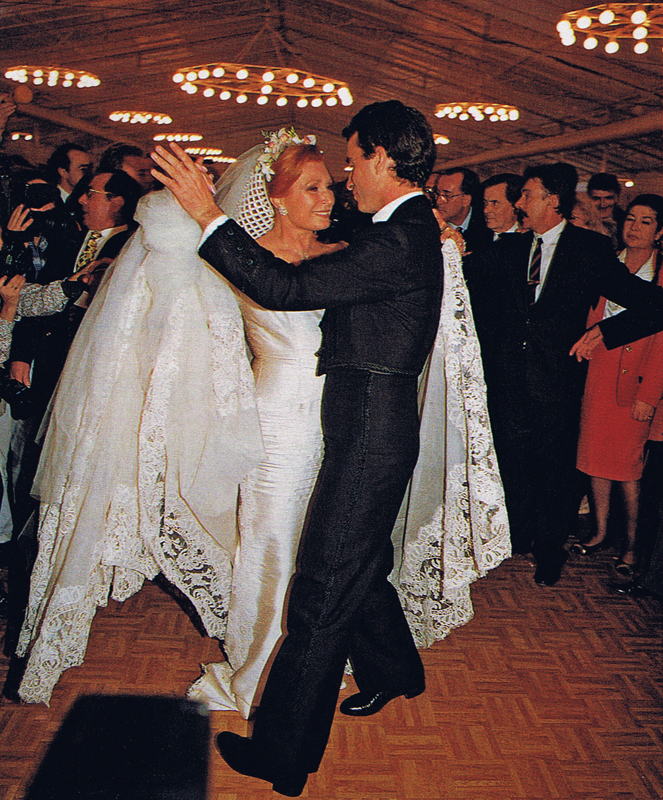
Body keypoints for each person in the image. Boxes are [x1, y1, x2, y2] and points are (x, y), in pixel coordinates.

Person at [153, 100, 444, 796]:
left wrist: (204, 212)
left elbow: (283, 286)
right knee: (359, 564)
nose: (345, 177)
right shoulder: (397, 230)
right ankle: (397, 672)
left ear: (378, 156)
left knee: (317, 592)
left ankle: (283, 756)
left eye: (350, 161)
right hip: (365, 426)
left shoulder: (399, 238)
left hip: (369, 435)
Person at [14, 188, 264, 705]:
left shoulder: (155, 275)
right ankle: (250, 641)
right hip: (157, 403)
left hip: (148, 403)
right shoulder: (191, 277)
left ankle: (51, 649)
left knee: (142, 512)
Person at [188, 130, 343, 719]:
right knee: (272, 535)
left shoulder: (342, 254)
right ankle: (258, 666)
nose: (329, 197)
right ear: (278, 197)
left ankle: (312, 657)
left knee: (322, 539)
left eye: (329, 186)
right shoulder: (241, 259)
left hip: (337, 417)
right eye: (314, 188)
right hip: (276, 416)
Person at [466, 163, 663, 588]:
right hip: (509, 380)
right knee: (513, 465)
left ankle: (550, 552)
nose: (520, 203)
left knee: (556, 471)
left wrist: (605, 331)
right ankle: (516, 538)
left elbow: (654, 305)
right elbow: (467, 274)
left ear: (553, 200)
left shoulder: (589, 249)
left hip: (559, 382)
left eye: (528, 195)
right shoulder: (514, 249)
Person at [573, 195, 663, 576]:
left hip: (639, 376)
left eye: (645, 221)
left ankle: (630, 546)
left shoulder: (660, 273)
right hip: (599, 368)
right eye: (631, 219)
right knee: (594, 456)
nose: (634, 227)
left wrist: (649, 395)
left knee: (628, 468)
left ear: (660, 232)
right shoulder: (607, 263)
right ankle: (600, 531)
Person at [426, 167, 492, 254]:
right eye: (437, 193)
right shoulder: (428, 225)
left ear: (466, 200)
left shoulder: (488, 225)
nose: (438, 201)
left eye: (447, 195)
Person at [587, 172, 625, 249]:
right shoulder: (579, 220)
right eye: (596, 199)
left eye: (608, 198)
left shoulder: (626, 222)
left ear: (617, 198)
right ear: (588, 198)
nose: (602, 204)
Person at [481, 173, 523, 239]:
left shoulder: (529, 240)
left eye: (495, 203)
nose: (486, 210)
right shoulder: (476, 238)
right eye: (485, 203)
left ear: (515, 205)